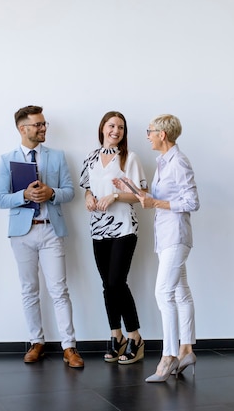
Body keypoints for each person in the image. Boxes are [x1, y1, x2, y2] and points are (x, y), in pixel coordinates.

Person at [0, 105, 84, 368]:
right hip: (22, 233)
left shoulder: (57, 156)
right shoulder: (5, 159)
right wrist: (24, 195)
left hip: (50, 229)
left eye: (44, 124)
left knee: (59, 290)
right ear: (23, 129)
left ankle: (70, 347)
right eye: (38, 125)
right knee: (29, 290)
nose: (44, 128)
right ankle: (37, 342)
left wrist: (51, 193)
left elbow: (70, 192)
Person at [113, 114, 199, 383]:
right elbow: (166, 198)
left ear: (162, 134)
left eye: (150, 131)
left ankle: (169, 355)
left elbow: (192, 201)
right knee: (180, 292)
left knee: (163, 293)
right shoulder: (164, 162)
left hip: (176, 236)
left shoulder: (179, 161)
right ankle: (186, 349)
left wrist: (156, 204)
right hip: (167, 236)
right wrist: (142, 196)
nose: (147, 135)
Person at [79, 111, 147, 364]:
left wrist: (116, 196)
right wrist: (89, 197)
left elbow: (142, 195)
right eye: (111, 125)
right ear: (102, 128)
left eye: (120, 127)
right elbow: (87, 187)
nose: (115, 131)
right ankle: (115, 336)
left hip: (123, 228)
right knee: (108, 285)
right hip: (98, 228)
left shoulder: (130, 158)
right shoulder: (91, 157)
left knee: (118, 282)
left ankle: (135, 337)